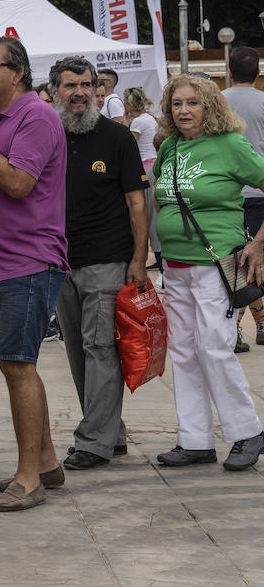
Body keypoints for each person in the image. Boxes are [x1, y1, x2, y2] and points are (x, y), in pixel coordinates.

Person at [0, 37, 68, 511]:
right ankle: (44, 461)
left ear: (18, 73)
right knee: (11, 364)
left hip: (26, 261)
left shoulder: (36, 117)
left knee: (19, 365)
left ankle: (30, 479)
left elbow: (17, 183)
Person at [151, 74, 264, 472]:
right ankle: (194, 439)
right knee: (183, 351)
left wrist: (259, 243)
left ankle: (247, 431)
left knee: (215, 347)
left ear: (210, 106)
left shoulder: (230, 145)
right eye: (176, 104)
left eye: (192, 103)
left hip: (215, 264)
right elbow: (162, 198)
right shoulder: (168, 147)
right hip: (175, 265)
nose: (183, 111)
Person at [49, 57, 148, 471]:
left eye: (87, 85)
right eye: (71, 85)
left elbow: (137, 203)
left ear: (98, 90)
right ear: (55, 90)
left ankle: (93, 441)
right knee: (77, 351)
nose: (80, 92)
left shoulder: (117, 138)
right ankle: (112, 431)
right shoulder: (47, 136)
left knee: (101, 348)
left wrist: (140, 259)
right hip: (58, 261)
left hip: (108, 260)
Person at [221, 46, 264, 349]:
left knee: (233, 264)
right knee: (257, 261)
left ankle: (235, 328)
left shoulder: (218, 103)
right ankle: (259, 325)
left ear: (229, 71)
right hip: (260, 190)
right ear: (258, 73)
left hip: (227, 193)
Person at [125, 87, 162, 270]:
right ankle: (159, 257)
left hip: (145, 169)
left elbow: (128, 145)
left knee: (147, 215)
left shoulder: (137, 123)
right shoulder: (150, 118)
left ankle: (154, 253)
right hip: (155, 165)